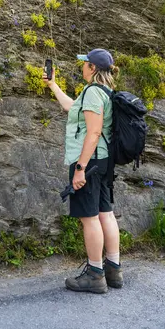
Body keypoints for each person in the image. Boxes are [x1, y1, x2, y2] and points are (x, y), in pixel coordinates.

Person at [43, 48, 123, 294]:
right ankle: (113, 270)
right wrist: (53, 86)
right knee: (105, 214)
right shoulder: (104, 92)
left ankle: (95, 274)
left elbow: (94, 132)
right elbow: (72, 108)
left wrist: (80, 168)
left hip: (89, 162)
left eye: (85, 63)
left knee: (89, 218)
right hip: (103, 162)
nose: (82, 66)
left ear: (93, 68)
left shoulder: (92, 93)